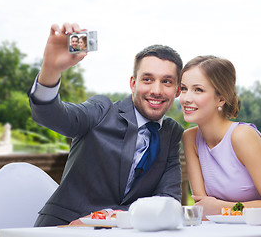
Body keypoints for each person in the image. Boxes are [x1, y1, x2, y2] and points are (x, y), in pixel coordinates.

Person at [28, 23, 184, 226]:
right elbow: (52, 116)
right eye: (147, 79)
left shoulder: (171, 133)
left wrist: (105, 218)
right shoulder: (102, 110)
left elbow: (167, 200)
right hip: (65, 227)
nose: (156, 90)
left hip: (119, 230)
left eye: (167, 82)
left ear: (178, 90)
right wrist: (51, 68)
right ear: (133, 83)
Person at [179, 55, 261, 218]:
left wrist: (221, 207)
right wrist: (215, 209)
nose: (186, 98)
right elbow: (202, 207)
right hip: (222, 229)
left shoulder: (242, 136)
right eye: (183, 88)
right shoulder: (190, 138)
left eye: (198, 90)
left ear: (221, 99)